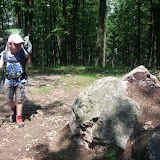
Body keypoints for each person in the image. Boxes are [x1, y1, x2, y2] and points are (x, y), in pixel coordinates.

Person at [0, 34, 30, 128]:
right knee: (8, 100)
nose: (18, 46)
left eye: (20, 44)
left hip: (20, 80)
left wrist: (26, 67)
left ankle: (19, 117)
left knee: (19, 100)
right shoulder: (4, 54)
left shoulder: (22, 52)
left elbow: (28, 57)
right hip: (8, 80)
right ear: (9, 44)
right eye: (16, 44)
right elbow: (0, 65)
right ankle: (15, 110)